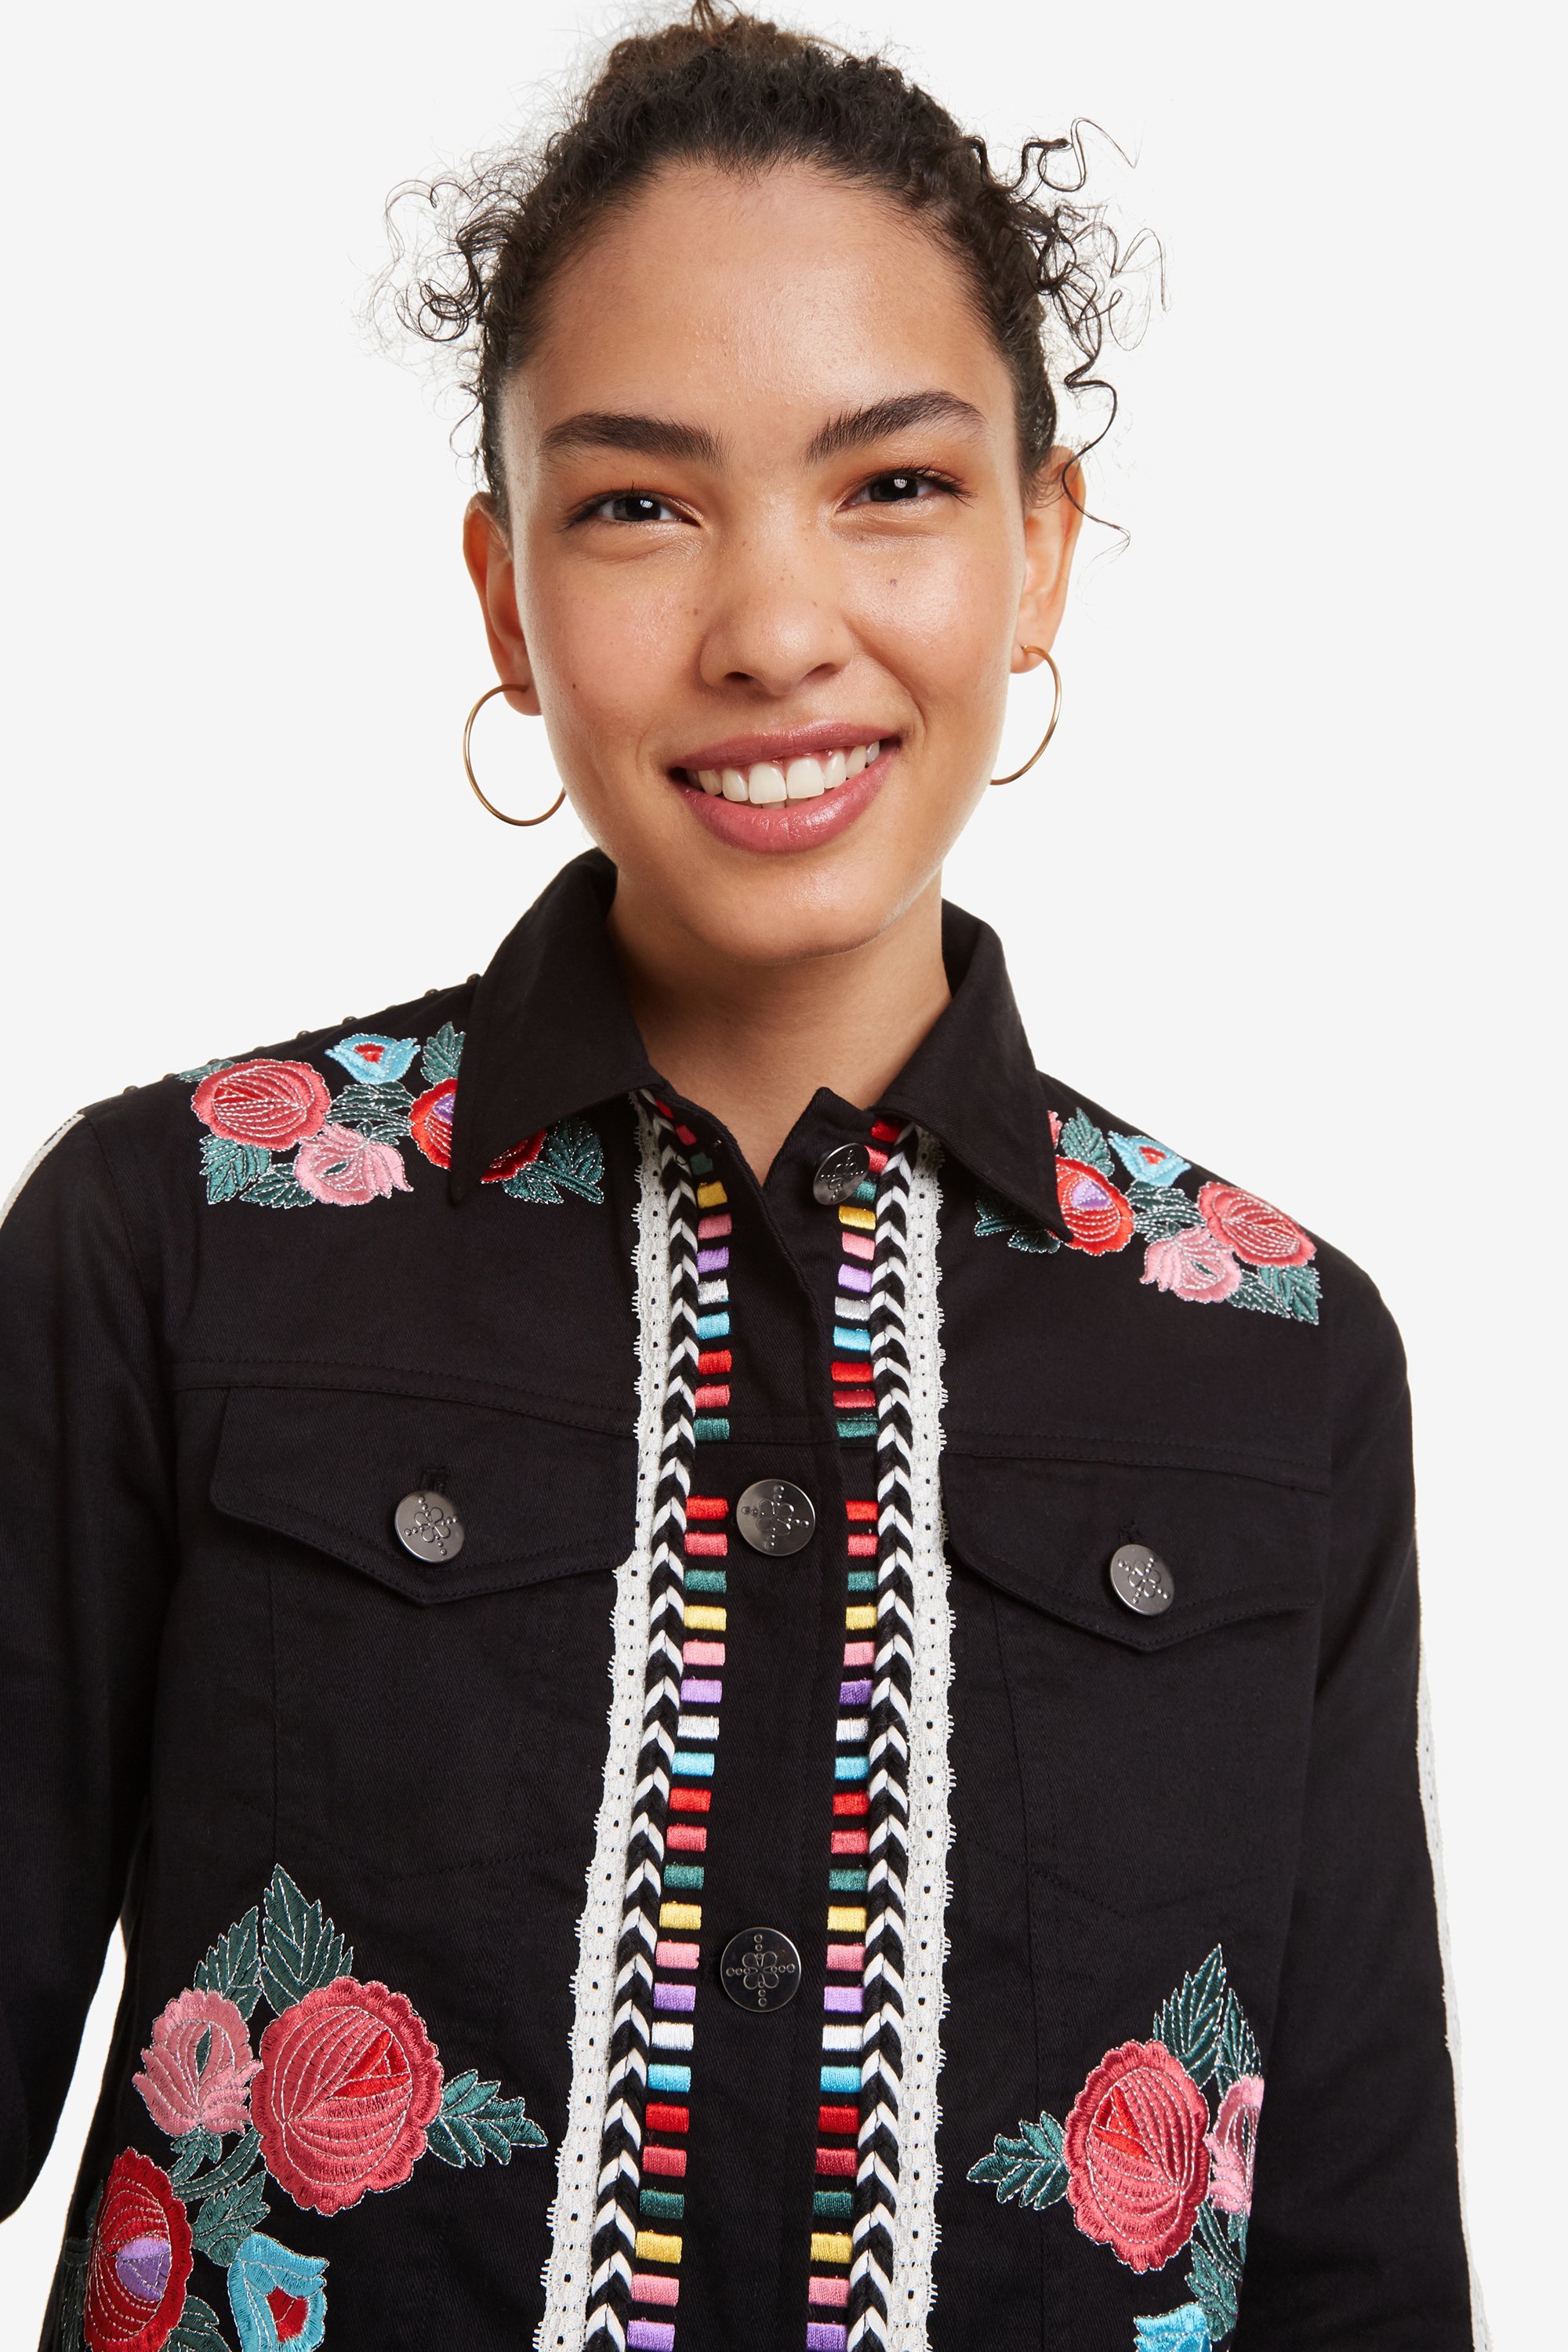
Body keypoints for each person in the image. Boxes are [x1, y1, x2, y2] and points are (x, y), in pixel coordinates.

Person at [1, 7, 1476, 2348]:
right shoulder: (167, 1241)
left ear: (1040, 551)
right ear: (506, 596)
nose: (778, 630)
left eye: (893, 484)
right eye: (639, 505)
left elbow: (1355, 2270)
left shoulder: (1280, 1353)